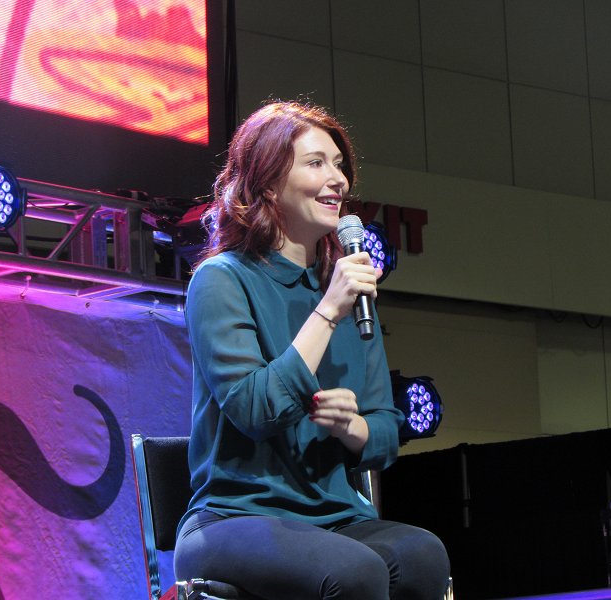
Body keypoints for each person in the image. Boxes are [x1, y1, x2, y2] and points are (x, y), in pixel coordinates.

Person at [174, 101, 450, 599]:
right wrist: (327, 311)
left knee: (423, 556)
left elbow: (385, 429)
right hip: (234, 517)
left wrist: (351, 427)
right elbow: (254, 409)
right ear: (267, 184)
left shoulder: (345, 290)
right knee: (354, 572)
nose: (337, 180)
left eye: (339, 165)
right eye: (316, 163)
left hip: (335, 517)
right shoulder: (222, 280)